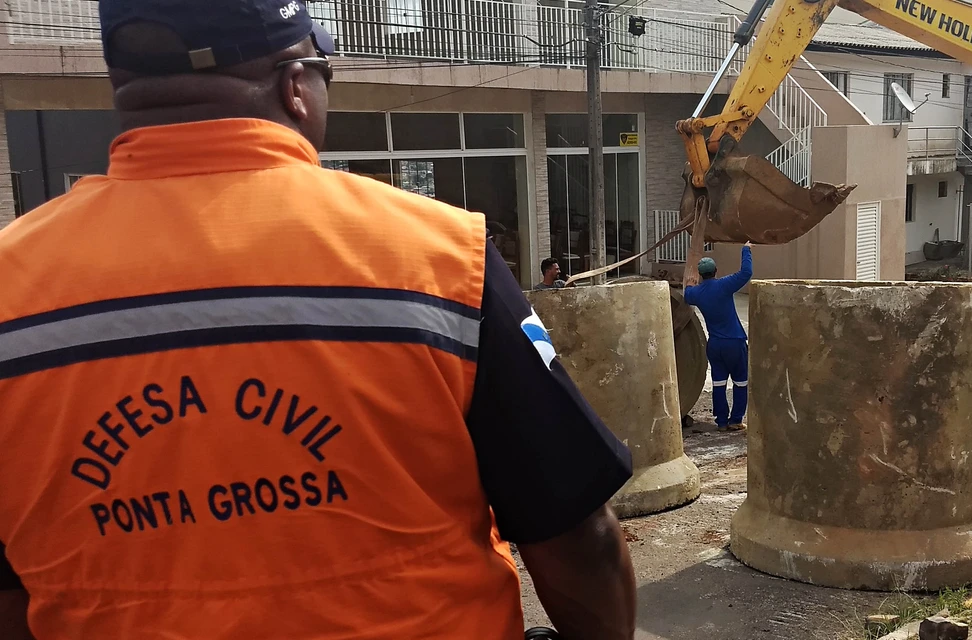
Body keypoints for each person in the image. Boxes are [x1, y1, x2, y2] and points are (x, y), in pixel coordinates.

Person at [0, 2, 637, 639]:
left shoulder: (12, 286)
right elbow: (578, 537)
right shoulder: (439, 259)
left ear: (125, 88)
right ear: (296, 86)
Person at [683, 243, 753, 432]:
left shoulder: (695, 293)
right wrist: (746, 249)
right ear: (716, 271)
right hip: (734, 342)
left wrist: (689, 284)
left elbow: (686, 294)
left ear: (700, 274)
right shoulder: (724, 285)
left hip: (714, 345)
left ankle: (721, 422)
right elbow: (746, 272)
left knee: (719, 383)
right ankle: (735, 420)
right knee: (740, 382)